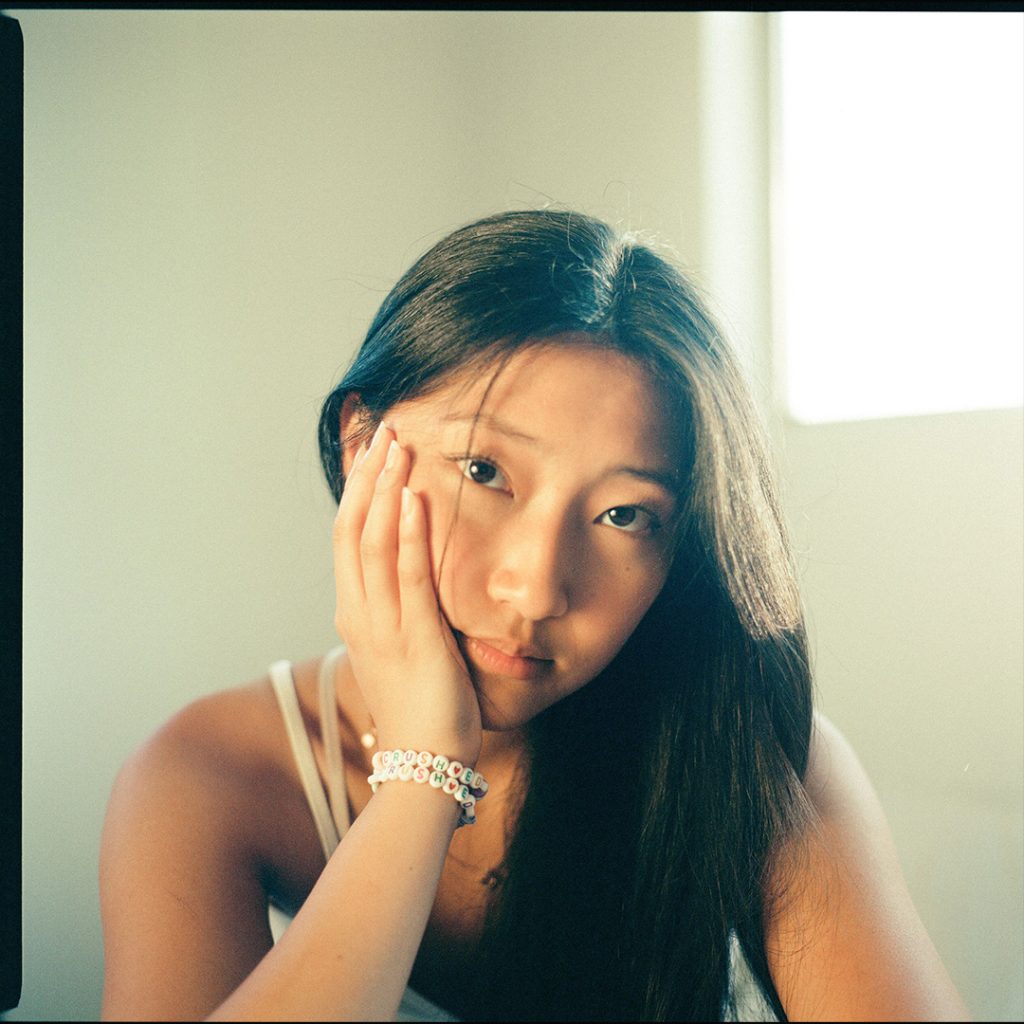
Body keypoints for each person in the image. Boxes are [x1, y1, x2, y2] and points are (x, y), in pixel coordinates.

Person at [98, 209, 970, 1022]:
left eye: (624, 515)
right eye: (484, 472)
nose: (538, 589)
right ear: (362, 446)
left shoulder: (747, 750)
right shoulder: (211, 777)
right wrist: (424, 775)